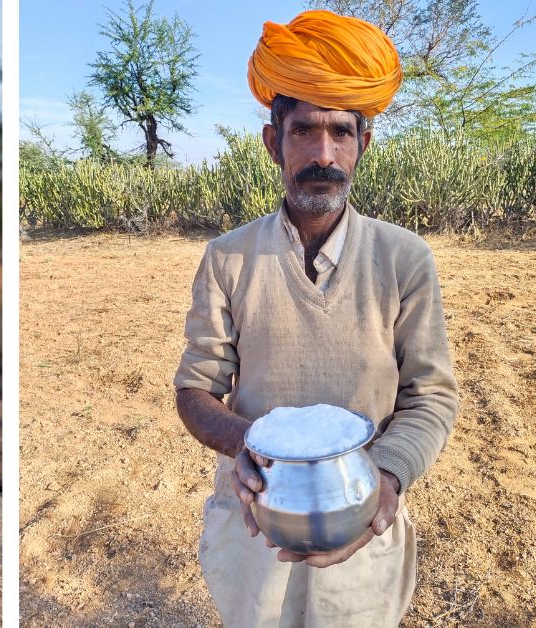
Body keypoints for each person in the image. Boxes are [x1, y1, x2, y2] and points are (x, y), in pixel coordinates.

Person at [172, 10, 459, 627]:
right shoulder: (228, 258)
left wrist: (384, 481)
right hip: (256, 509)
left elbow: (430, 394)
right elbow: (197, 387)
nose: (323, 155)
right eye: (304, 131)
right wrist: (244, 444)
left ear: (364, 143)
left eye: (340, 133)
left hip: (361, 505)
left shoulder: (404, 259)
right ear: (273, 141)